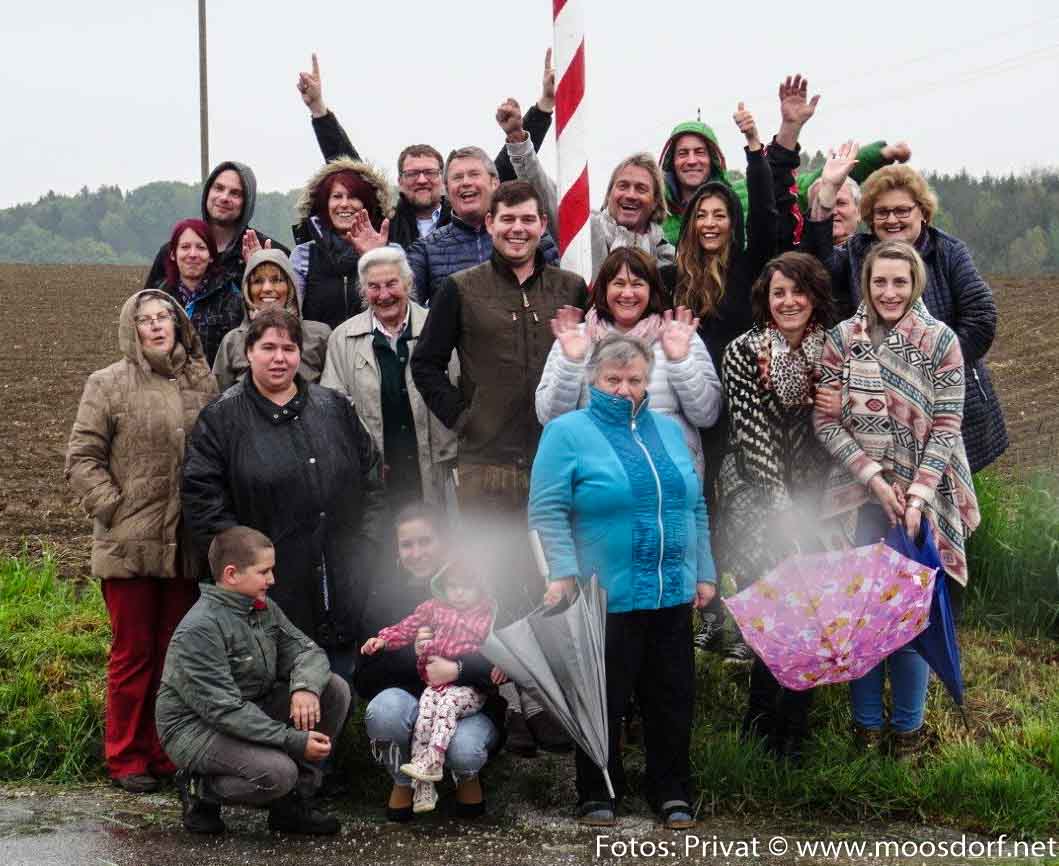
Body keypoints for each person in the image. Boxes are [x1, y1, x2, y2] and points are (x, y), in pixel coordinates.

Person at [529, 335, 717, 829]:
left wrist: (705, 572)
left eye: (635, 379)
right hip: (601, 594)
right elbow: (546, 511)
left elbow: (694, 504)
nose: (625, 389)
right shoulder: (567, 431)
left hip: (671, 590)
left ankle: (671, 789)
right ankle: (598, 790)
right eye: (613, 379)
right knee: (603, 699)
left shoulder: (670, 432)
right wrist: (562, 572)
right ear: (593, 380)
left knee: (672, 699)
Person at [813, 240, 981, 758]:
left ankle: (907, 734)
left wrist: (917, 495)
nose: (889, 292)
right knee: (861, 620)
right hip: (859, 499)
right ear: (866, 284)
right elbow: (826, 420)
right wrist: (873, 479)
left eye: (900, 282)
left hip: (923, 500)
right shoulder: (842, 339)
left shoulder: (939, 341)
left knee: (912, 620)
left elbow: (948, 425)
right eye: (879, 282)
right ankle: (864, 731)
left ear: (916, 285)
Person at [182, 308, 387, 683]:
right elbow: (203, 500)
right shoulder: (221, 419)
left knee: (340, 681)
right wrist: (246, 569)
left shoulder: (334, 408)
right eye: (268, 347)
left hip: (342, 571)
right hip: (272, 587)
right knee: (281, 686)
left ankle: (341, 729)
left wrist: (368, 544)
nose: (280, 358)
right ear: (248, 353)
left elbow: (372, 479)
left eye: (289, 348)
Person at [65, 290, 217, 793]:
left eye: (164, 318)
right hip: (128, 543)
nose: (156, 326)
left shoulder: (202, 380)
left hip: (184, 544)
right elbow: (82, 457)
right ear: (131, 328)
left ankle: (164, 749)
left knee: (175, 654)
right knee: (133, 654)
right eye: (145, 320)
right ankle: (125, 755)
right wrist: (114, 507)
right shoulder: (107, 383)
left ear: (178, 324)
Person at [658, 100, 777, 660]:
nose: (709, 223)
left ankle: (754, 614)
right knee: (698, 507)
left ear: (732, 220)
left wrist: (755, 147)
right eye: (701, 215)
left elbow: (771, 217)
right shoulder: (672, 277)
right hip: (689, 412)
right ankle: (708, 614)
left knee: (743, 510)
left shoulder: (751, 267)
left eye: (719, 215)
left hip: (747, 410)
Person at [713, 252, 837, 761]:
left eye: (797, 291)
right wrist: (784, 511)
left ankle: (798, 726)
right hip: (753, 493)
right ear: (764, 300)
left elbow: (840, 428)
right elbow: (753, 438)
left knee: (809, 606)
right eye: (777, 293)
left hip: (815, 496)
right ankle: (760, 723)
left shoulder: (833, 351)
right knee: (769, 607)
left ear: (815, 296)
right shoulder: (744, 352)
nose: (788, 302)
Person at [156, 526, 350, 835]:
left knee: (333, 689)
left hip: (250, 707)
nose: (272, 580)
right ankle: (199, 789)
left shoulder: (262, 609)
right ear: (232, 574)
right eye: (264, 572)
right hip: (197, 727)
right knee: (278, 773)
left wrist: (305, 687)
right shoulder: (200, 628)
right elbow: (224, 711)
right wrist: (293, 740)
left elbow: (308, 652)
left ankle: (292, 805)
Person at [820, 163, 1008, 474]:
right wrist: (827, 193)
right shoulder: (856, 253)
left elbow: (981, 318)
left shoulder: (948, 252)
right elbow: (819, 262)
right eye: (881, 212)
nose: (891, 219)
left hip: (946, 400)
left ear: (922, 211)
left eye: (902, 210)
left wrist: (924, 373)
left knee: (941, 494)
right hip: (877, 408)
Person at [297, 51, 558, 247]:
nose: (422, 180)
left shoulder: (466, 215)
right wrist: (319, 110)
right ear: (399, 182)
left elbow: (505, 166)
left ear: (444, 181)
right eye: (412, 174)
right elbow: (350, 170)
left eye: (430, 173)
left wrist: (544, 105)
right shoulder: (385, 222)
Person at [356, 504, 506, 821]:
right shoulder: (383, 595)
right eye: (407, 544)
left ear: (444, 543)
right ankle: (403, 781)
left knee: (464, 751)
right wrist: (413, 655)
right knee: (384, 710)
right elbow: (364, 678)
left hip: (469, 704)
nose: (417, 552)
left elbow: (505, 659)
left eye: (426, 541)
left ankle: (466, 777)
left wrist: (458, 669)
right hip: (413, 705)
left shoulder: (475, 588)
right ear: (397, 551)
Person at [536, 246, 721, 479]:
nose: (627, 293)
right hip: (598, 484)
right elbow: (549, 419)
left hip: (668, 483)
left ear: (652, 289)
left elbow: (708, 415)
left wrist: (680, 361)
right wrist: (571, 363)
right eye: (619, 283)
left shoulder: (680, 336)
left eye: (637, 284)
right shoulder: (574, 338)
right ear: (604, 289)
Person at [321, 246, 456, 510]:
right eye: (373, 287)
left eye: (392, 284)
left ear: (408, 283)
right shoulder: (342, 338)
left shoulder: (439, 326)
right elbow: (333, 411)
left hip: (436, 473)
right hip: (377, 478)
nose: (384, 295)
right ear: (363, 291)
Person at [501, 99, 673, 282]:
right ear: (609, 195)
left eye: (641, 189)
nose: (630, 195)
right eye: (623, 186)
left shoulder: (667, 257)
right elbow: (543, 190)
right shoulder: (584, 230)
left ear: (655, 202)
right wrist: (517, 139)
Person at [407, 146, 560, 305]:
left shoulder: (532, 236)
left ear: (494, 182)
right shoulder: (426, 249)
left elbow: (559, 293)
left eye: (474, 174)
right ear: (446, 189)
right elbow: (405, 308)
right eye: (458, 177)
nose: (466, 182)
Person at [289, 158, 397, 330]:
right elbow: (289, 315)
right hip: (320, 353)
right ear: (325, 204)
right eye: (337, 196)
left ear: (367, 204)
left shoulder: (390, 251)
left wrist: (375, 258)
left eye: (353, 197)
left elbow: (406, 307)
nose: (344, 204)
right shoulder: (304, 255)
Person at [145, 161, 287, 291]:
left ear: (247, 203)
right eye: (218, 188)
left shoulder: (271, 253)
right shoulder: (173, 253)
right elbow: (145, 307)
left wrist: (260, 270)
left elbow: (289, 314)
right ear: (207, 192)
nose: (224, 198)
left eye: (235, 193)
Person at [212, 248, 331, 390]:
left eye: (277, 280)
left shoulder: (319, 335)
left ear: (290, 286)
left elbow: (331, 397)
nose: (267, 288)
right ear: (247, 289)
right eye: (258, 281)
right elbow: (218, 400)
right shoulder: (232, 341)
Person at [154, 219, 243, 367]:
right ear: (173, 254)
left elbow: (237, 355)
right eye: (185, 247)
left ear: (212, 256)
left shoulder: (230, 298)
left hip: (215, 387)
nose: (193, 254)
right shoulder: (158, 299)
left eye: (201, 247)